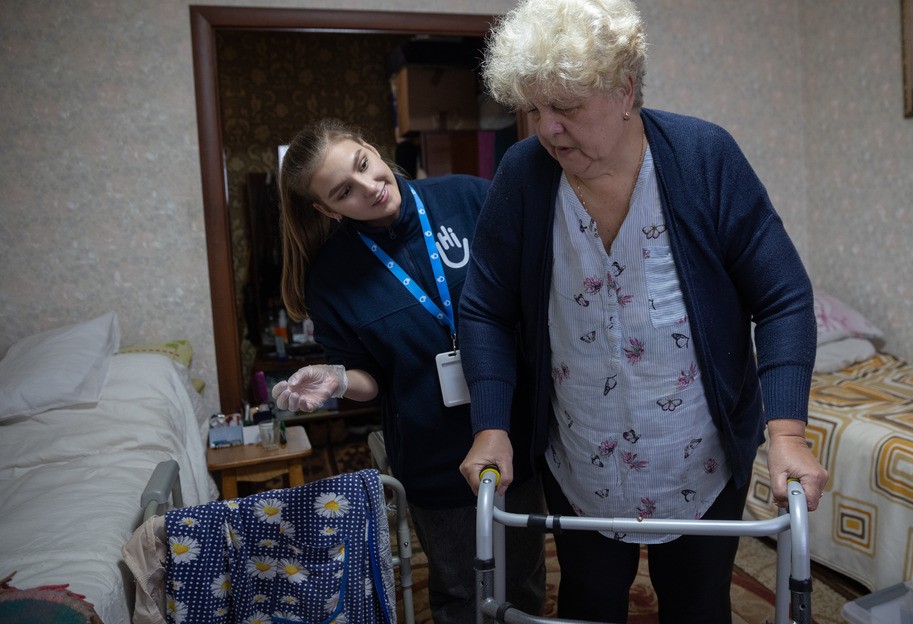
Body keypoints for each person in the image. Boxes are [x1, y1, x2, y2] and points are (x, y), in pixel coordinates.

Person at [456, 1, 829, 622]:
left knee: (698, 602)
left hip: (700, 458)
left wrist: (786, 431)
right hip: (581, 457)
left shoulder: (704, 157)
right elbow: (485, 308)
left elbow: (784, 296)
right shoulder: (523, 177)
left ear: (625, 89)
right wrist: (492, 421)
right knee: (590, 599)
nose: (548, 129)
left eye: (567, 107)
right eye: (536, 108)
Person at [272, 118, 545, 623]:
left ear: (372, 149)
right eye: (344, 192)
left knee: (523, 585)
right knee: (462, 593)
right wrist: (335, 378)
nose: (370, 187)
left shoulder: (469, 198)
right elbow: (368, 377)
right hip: (431, 457)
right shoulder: (331, 278)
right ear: (325, 209)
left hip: (512, 432)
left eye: (364, 165)